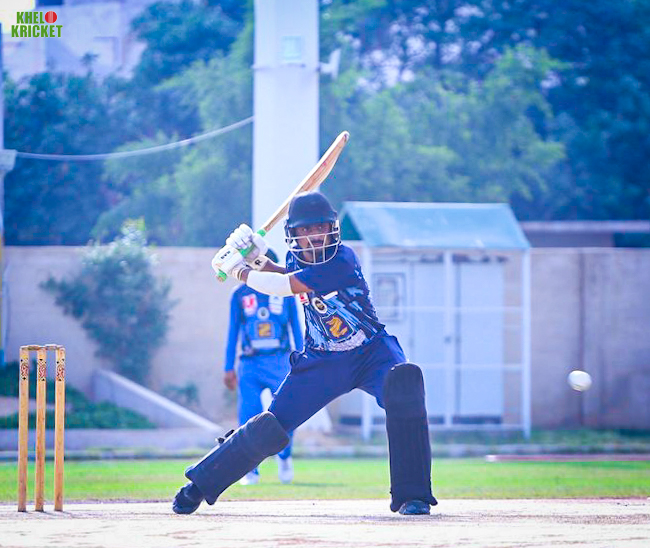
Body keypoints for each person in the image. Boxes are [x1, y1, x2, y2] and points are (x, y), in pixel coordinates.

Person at [173, 192, 437, 516]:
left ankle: (414, 496)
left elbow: (283, 287)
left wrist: (239, 271)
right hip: (322, 361)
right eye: (306, 230)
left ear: (333, 229)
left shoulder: (342, 260)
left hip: (372, 352)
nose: (315, 236)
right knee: (270, 425)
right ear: (294, 235)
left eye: (321, 228)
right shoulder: (296, 261)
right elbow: (282, 274)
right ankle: (199, 485)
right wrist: (255, 259)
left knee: (404, 387)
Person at [223, 249, 303, 485]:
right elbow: (233, 331)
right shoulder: (239, 294)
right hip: (250, 363)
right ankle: (249, 468)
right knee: (248, 417)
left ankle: (285, 456)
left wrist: (303, 358)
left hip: (280, 361)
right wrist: (228, 366)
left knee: (286, 413)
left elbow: (296, 327)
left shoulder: (285, 293)